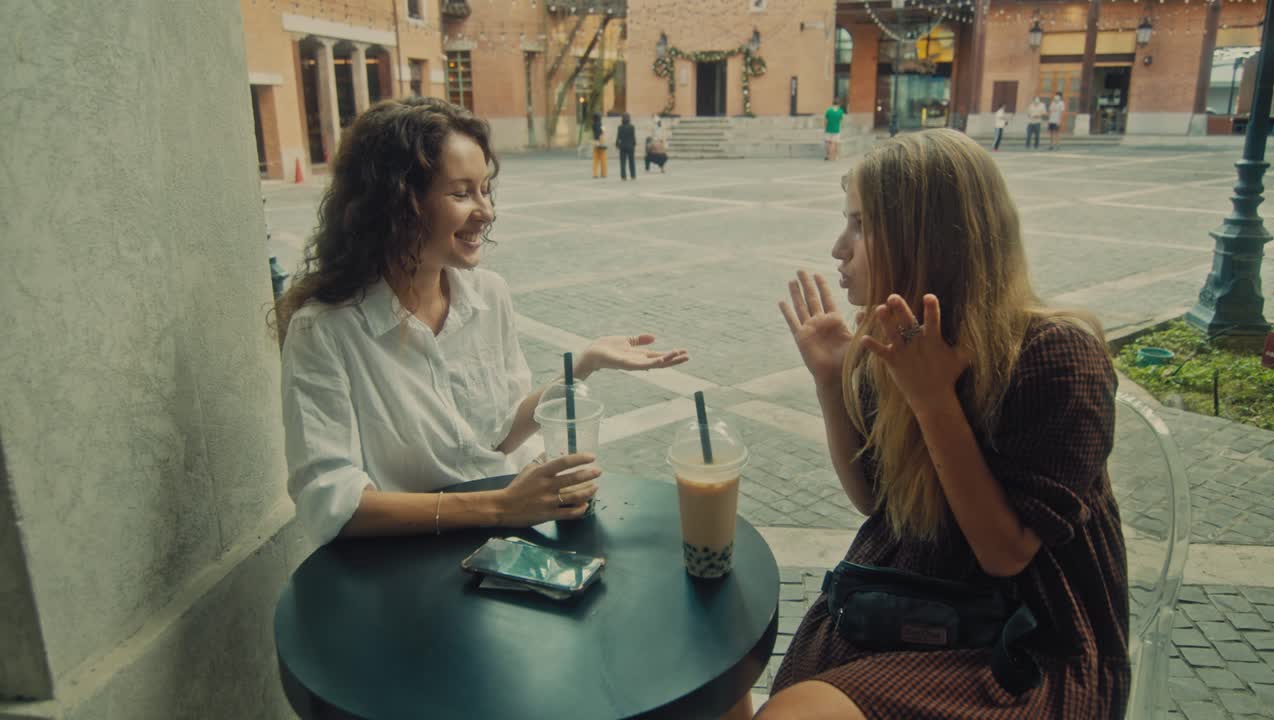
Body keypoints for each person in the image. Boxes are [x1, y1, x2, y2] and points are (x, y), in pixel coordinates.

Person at [761, 129, 1127, 719]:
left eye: (860, 224)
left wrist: (933, 401)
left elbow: (1006, 553)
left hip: (1026, 644)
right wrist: (830, 381)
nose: (838, 248)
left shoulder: (1055, 355)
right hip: (918, 599)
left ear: (927, 239)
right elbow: (875, 501)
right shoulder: (897, 344)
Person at [273, 97, 689, 545]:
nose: (486, 212)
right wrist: (499, 507)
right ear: (395, 204)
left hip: (503, 547)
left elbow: (497, 436)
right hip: (404, 564)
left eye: (485, 189)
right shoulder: (324, 331)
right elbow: (329, 501)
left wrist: (582, 366)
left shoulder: (489, 295)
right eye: (460, 193)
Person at [616, 113, 637, 181]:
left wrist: (617, 145)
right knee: (631, 162)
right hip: (630, 146)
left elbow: (618, 137)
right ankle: (633, 175)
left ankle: (623, 176)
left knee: (622, 162)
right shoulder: (632, 127)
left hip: (623, 146)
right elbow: (633, 137)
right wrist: (634, 144)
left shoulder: (620, 127)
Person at [591, 112, 608, 178]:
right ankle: (603, 173)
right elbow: (603, 132)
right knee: (603, 159)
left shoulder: (593, 124)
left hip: (595, 141)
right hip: (601, 140)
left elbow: (594, 132)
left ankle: (595, 174)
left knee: (595, 159)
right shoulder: (601, 124)